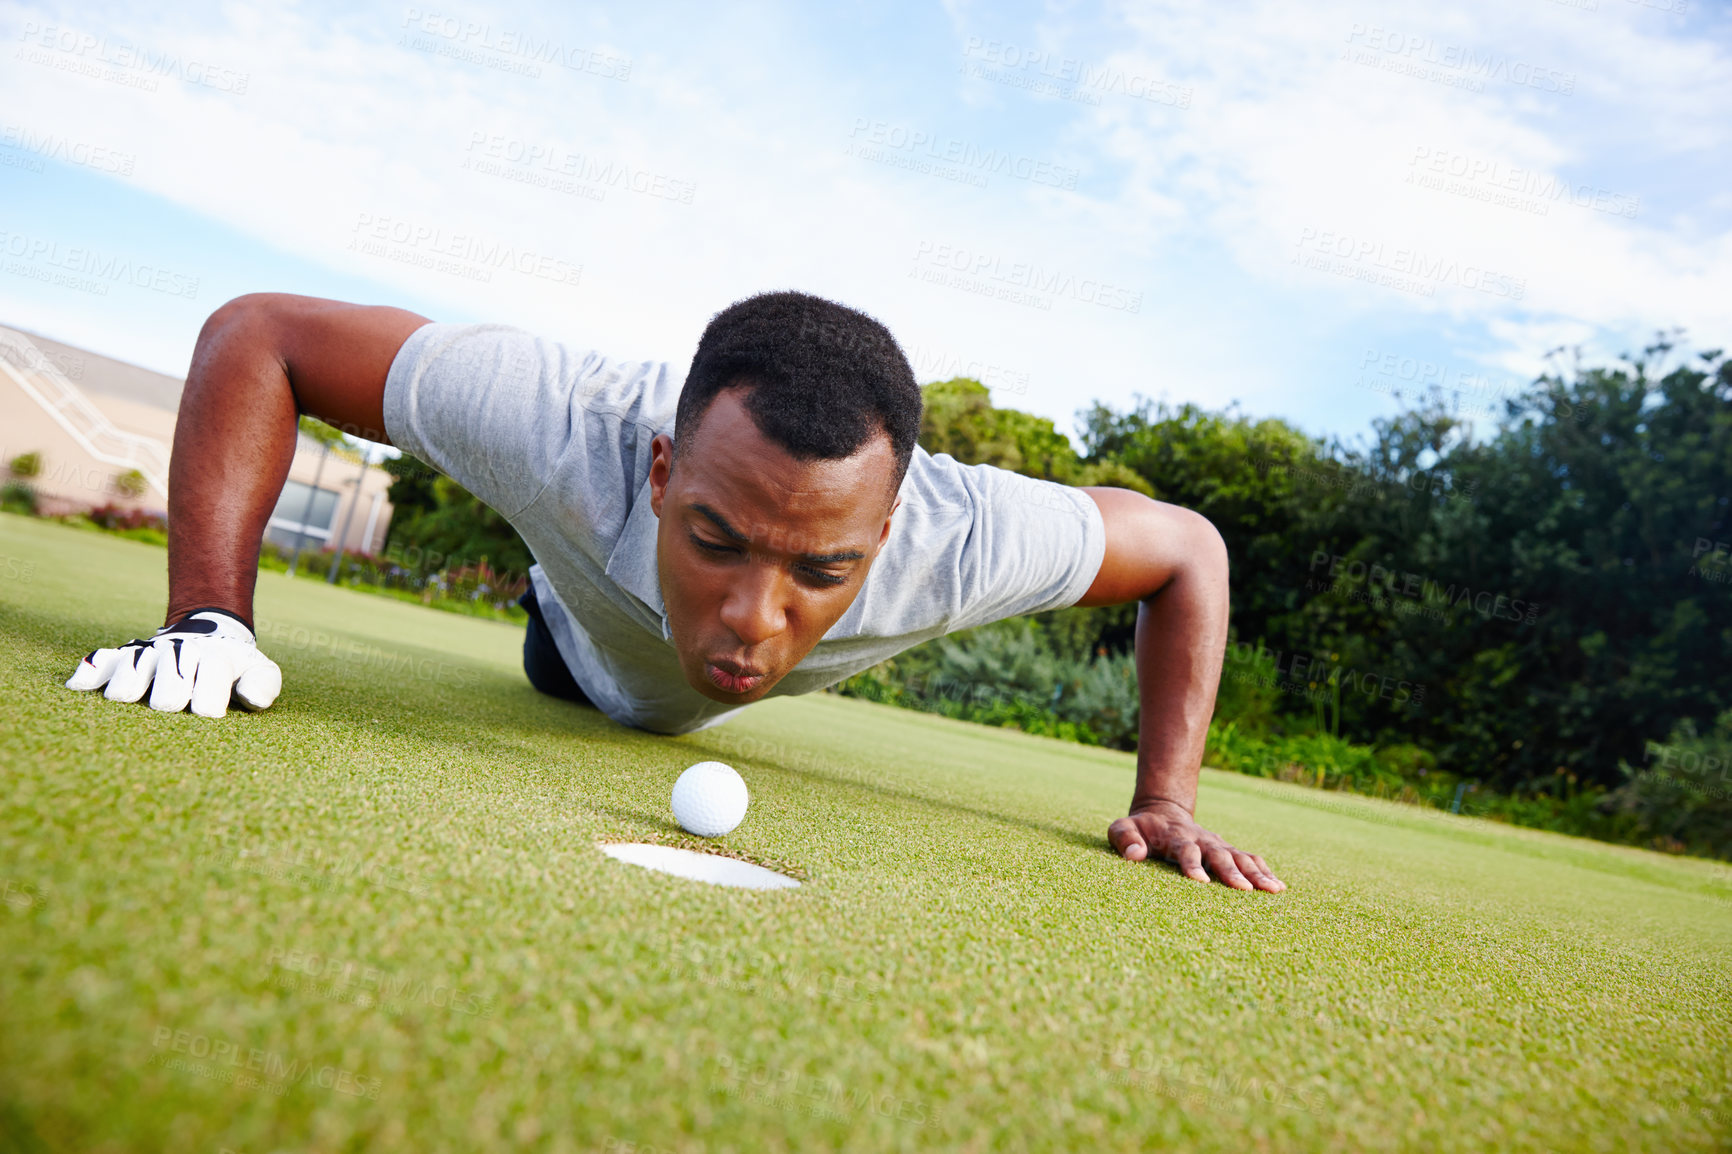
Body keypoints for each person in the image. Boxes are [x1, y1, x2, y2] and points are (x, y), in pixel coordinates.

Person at [64, 290, 1284, 892]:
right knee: (564, 654)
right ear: (658, 468)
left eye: (821, 567)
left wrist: (1166, 796)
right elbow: (257, 333)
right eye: (716, 535)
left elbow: (1190, 552)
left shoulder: (964, 539)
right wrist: (208, 613)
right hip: (570, 638)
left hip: (689, 662)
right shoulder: (556, 418)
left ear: (894, 525)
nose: (755, 618)